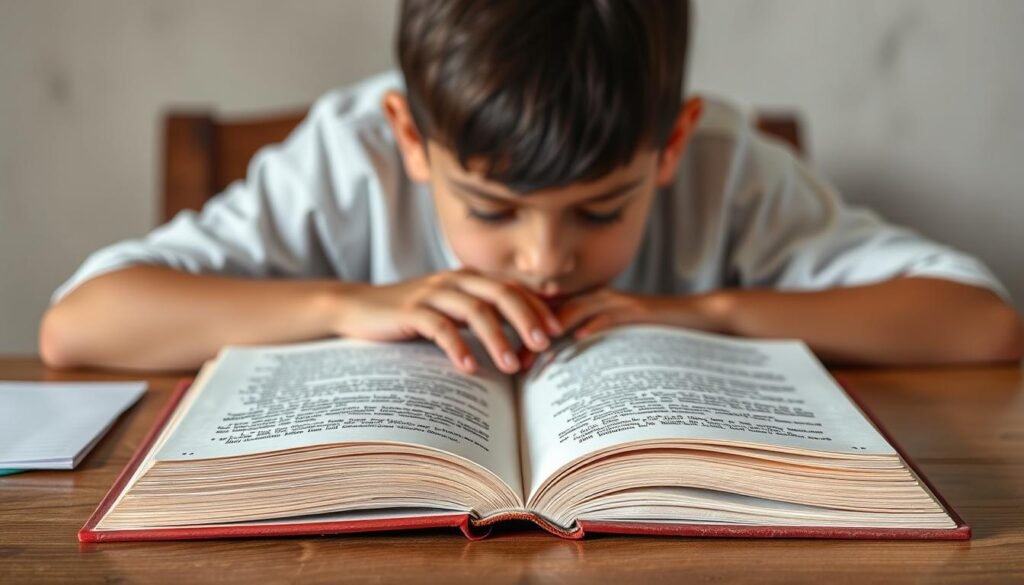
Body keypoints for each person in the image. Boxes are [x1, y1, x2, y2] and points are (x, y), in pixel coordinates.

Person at [39, 0, 1023, 374]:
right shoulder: (348, 153)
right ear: (409, 141)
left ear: (670, 145)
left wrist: (708, 310)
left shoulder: (724, 162)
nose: (546, 257)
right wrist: (350, 303)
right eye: (491, 209)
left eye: (601, 209)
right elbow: (78, 327)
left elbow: (980, 325)